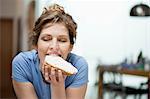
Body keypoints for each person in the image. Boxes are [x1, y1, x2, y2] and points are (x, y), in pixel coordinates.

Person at [12, 4, 88, 99]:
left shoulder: (79, 66)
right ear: (36, 44)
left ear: (70, 47)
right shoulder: (22, 63)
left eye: (62, 40)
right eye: (46, 39)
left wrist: (57, 86)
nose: (54, 46)